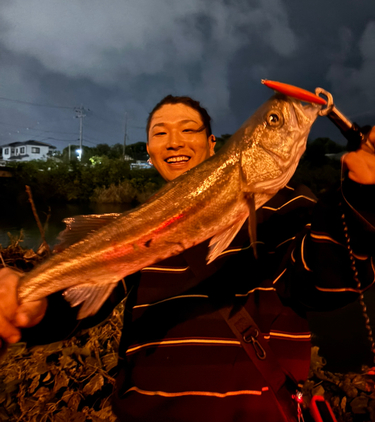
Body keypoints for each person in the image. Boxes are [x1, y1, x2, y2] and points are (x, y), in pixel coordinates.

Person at [0, 94, 375, 422]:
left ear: (215, 144)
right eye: (160, 133)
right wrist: (33, 306)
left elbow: (324, 284)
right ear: (148, 152)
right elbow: (77, 306)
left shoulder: (289, 205)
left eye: (189, 130)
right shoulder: (137, 221)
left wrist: (360, 199)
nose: (174, 141)